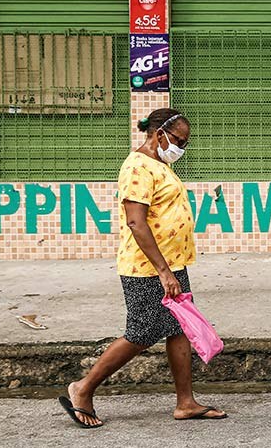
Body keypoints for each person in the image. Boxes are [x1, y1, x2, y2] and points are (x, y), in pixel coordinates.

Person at [58, 108, 227, 428]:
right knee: (141, 333)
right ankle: (83, 388)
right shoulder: (137, 166)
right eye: (179, 140)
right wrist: (163, 271)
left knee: (179, 329)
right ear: (159, 133)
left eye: (186, 143)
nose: (181, 147)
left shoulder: (158, 165)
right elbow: (136, 222)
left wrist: (171, 268)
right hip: (147, 268)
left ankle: (186, 403)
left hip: (172, 263)